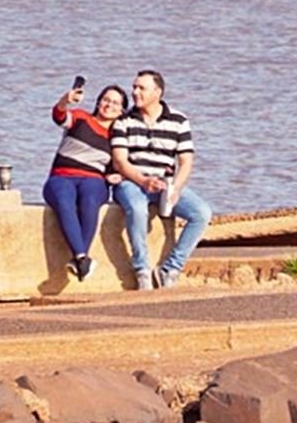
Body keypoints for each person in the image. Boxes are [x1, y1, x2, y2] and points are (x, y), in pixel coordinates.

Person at [110, 70, 212, 289]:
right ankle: (142, 270)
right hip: (132, 182)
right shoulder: (123, 121)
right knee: (137, 209)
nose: (135, 92)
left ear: (157, 92)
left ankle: (170, 268)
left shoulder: (179, 120)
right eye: (134, 87)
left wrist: (175, 187)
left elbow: (186, 161)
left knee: (201, 213)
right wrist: (143, 180)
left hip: (164, 183)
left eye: (141, 88)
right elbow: (120, 161)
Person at [43, 82, 126, 282]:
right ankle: (82, 258)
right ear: (98, 102)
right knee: (64, 200)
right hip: (62, 175)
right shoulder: (81, 118)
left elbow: (122, 163)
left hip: (94, 179)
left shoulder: (118, 136)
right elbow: (59, 116)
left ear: (122, 111)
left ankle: (80, 260)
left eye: (115, 103)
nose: (109, 105)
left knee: (89, 201)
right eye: (106, 100)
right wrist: (65, 101)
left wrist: (116, 176)